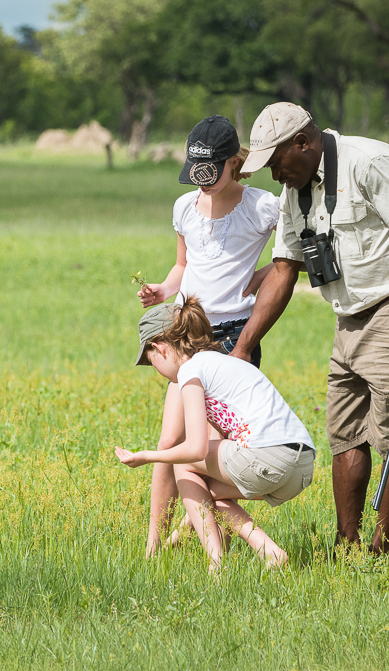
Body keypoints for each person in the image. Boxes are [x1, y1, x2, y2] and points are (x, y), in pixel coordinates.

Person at [229, 102, 389, 556]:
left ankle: (380, 551)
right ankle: (347, 546)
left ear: (302, 144)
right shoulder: (296, 190)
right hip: (346, 322)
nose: (273, 176)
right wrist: (244, 347)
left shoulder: (369, 161)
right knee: (345, 434)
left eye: (276, 163)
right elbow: (284, 269)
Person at [134, 114, 281, 555]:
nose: (203, 186)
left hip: (234, 334)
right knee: (170, 442)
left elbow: (295, 257)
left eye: (210, 175)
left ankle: (217, 545)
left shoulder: (262, 206)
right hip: (187, 331)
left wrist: (266, 272)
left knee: (216, 448)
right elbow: (183, 265)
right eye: (196, 177)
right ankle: (154, 544)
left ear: (233, 163)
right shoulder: (184, 207)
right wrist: (162, 289)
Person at [115, 297, 315, 572]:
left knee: (183, 464)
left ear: (159, 348)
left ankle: (216, 565)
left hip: (267, 456)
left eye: (152, 363)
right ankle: (270, 552)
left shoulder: (190, 371)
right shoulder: (222, 364)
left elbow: (195, 449)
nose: (159, 374)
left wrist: (148, 456)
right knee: (205, 489)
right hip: (301, 465)